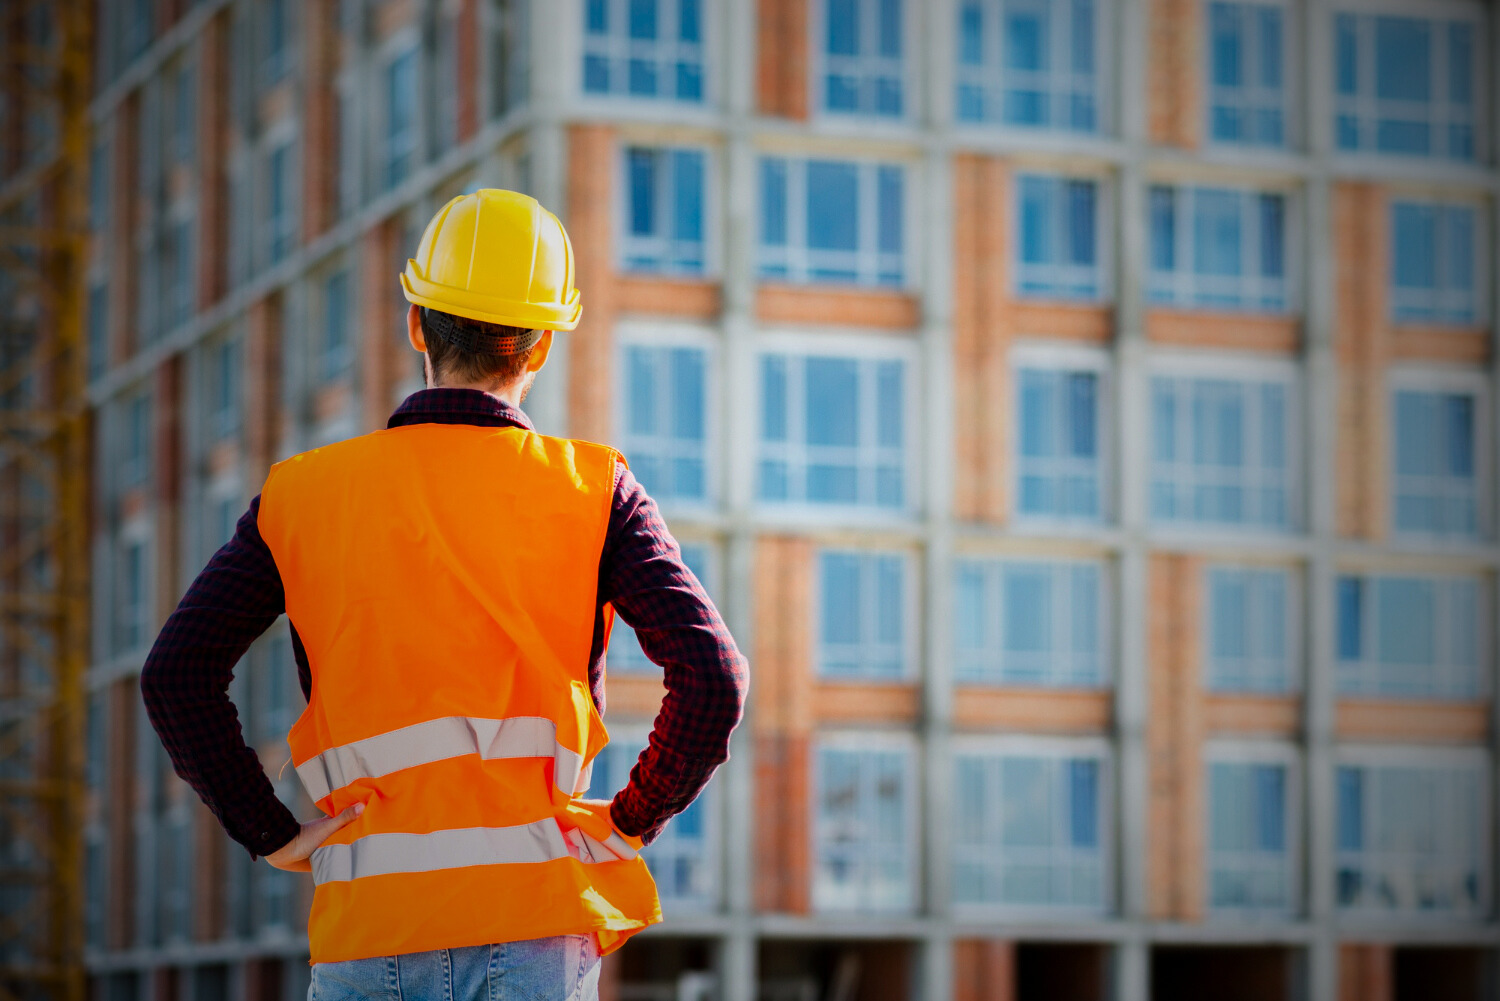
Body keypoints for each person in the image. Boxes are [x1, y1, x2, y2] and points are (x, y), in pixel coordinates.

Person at [141, 189, 748, 1001]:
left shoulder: (304, 497)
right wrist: (633, 815)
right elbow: (714, 677)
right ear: (538, 349)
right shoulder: (595, 490)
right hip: (536, 924)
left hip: (370, 928)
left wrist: (269, 830)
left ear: (417, 324)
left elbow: (176, 672)